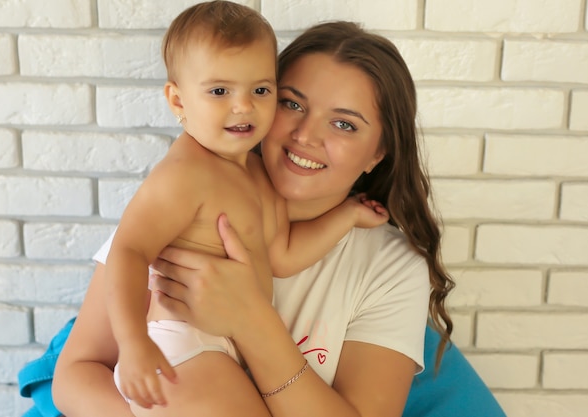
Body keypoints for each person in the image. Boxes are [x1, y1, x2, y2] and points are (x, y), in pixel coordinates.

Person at [53, 20, 455, 417]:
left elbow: (282, 256)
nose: (305, 135)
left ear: (378, 153)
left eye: (344, 124)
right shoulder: (185, 196)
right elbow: (76, 376)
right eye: (292, 103)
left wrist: (250, 319)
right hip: (183, 354)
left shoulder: (390, 267)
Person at [104, 2, 388, 415]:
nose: (244, 106)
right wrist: (133, 343)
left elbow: (284, 255)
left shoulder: (256, 174)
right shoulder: (184, 175)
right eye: (220, 91)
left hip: (224, 346)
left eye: (261, 90)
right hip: (180, 344)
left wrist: (347, 216)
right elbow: (127, 252)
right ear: (178, 101)